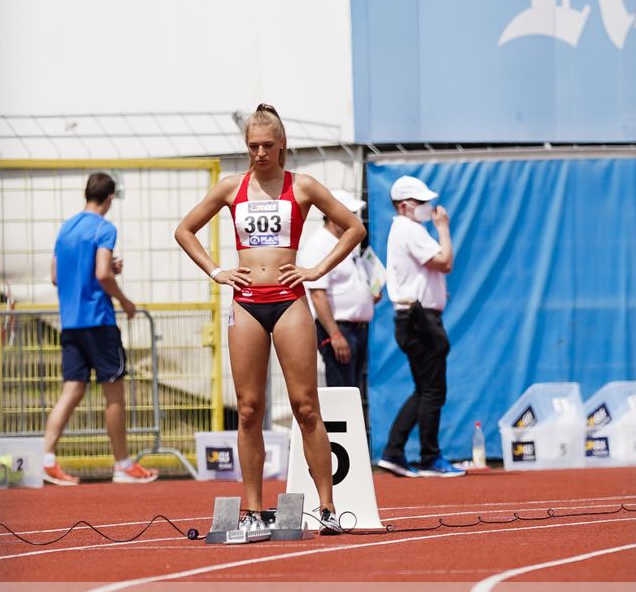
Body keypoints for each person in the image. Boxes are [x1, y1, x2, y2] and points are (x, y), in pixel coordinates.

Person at [174, 104, 365, 537]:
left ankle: (328, 507)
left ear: (282, 146)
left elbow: (353, 228)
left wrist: (317, 270)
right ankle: (255, 510)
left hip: (290, 302)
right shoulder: (230, 188)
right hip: (245, 303)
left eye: (266, 146)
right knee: (248, 410)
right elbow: (185, 230)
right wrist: (216, 270)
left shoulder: (303, 186)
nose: (259, 153)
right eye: (252, 146)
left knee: (306, 407)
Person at [42, 170, 157, 485]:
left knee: (72, 389)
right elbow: (104, 274)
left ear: (86, 194)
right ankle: (122, 464)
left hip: (71, 321)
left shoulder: (67, 228)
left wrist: (98, 272)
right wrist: (125, 301)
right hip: (98, 320)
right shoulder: (104, 228)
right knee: (114, 393)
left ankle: (47, 457)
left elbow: (55, 275)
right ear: (109, 198)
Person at [376, 174, 463, 479]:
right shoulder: (410, 229)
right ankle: (428, 456)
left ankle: (395, 452)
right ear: (404, 206)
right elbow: (445, 261)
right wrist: (443, 228)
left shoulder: (406, 229)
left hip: (417, 317)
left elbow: (427, 271)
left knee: (426, 390)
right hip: (419, 320)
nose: (428, 207)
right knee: (432, 391)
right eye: (422, 202)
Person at [301, 193, 383, 420]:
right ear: (333, 215)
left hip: (355, 329)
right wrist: (335, 334)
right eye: (351, 214)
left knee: (353, 392)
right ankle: (338, 451)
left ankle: (352, 451)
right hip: (338, 329)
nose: (356, 219)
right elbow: (318, 295)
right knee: (341, 395)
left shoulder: (346, 244)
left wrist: (368, 294)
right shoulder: (318, 246)